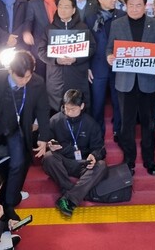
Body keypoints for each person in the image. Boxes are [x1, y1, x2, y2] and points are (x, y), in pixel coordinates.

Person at [0, 50, 50, 220]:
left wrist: (44, 137)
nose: (24, 81)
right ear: (10, 70)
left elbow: (43, 109)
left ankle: (9, 204)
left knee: (18, 163)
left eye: (28, 77)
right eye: (20, 77)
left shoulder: (37, 83)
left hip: (17, 128)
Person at [106, 0, 155, 176]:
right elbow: (109, 48)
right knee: (126, 123)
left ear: (145, 6)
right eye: (130, 5)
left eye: (138, 5)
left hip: (148, 81)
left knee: (149, 123)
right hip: (125, 82)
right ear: (125, 6)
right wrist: (109, 56)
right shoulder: (117, 24)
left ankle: (150, 160)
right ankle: (129, 160)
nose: (134, 8)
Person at [43, 89, 108, 217]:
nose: (69, 112)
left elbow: (99, 148)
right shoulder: (55, 120)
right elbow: (44, 141)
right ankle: (74, 194)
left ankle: (68, 197)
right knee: (48, 158)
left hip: (83, 163)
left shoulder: (91, 123)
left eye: (73, 109)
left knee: (101, 166)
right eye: (66, 108)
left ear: (82, 106)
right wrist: (49, 145)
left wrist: (94, 156)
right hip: (63, 161)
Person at [36, 0, 96, 112]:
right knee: (56, 109)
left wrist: (76, 59)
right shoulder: (49, 29)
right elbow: (41, 51)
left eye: (66, 7)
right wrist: (55, 60)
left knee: (77, 106)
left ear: (73, 10)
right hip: (56, 76)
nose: (63, 10)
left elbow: (92, 47)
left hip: (77, 74)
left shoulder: (82, 27)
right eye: (60, 7)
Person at [85, 0, 125, 137]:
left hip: (119, 65)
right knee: (97, 103)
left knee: (119, 102)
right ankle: (97, 134)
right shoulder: (90, 18)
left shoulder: (122, 15)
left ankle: (118, 131)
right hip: (97, 66)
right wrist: (87, 66)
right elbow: (87, 43)